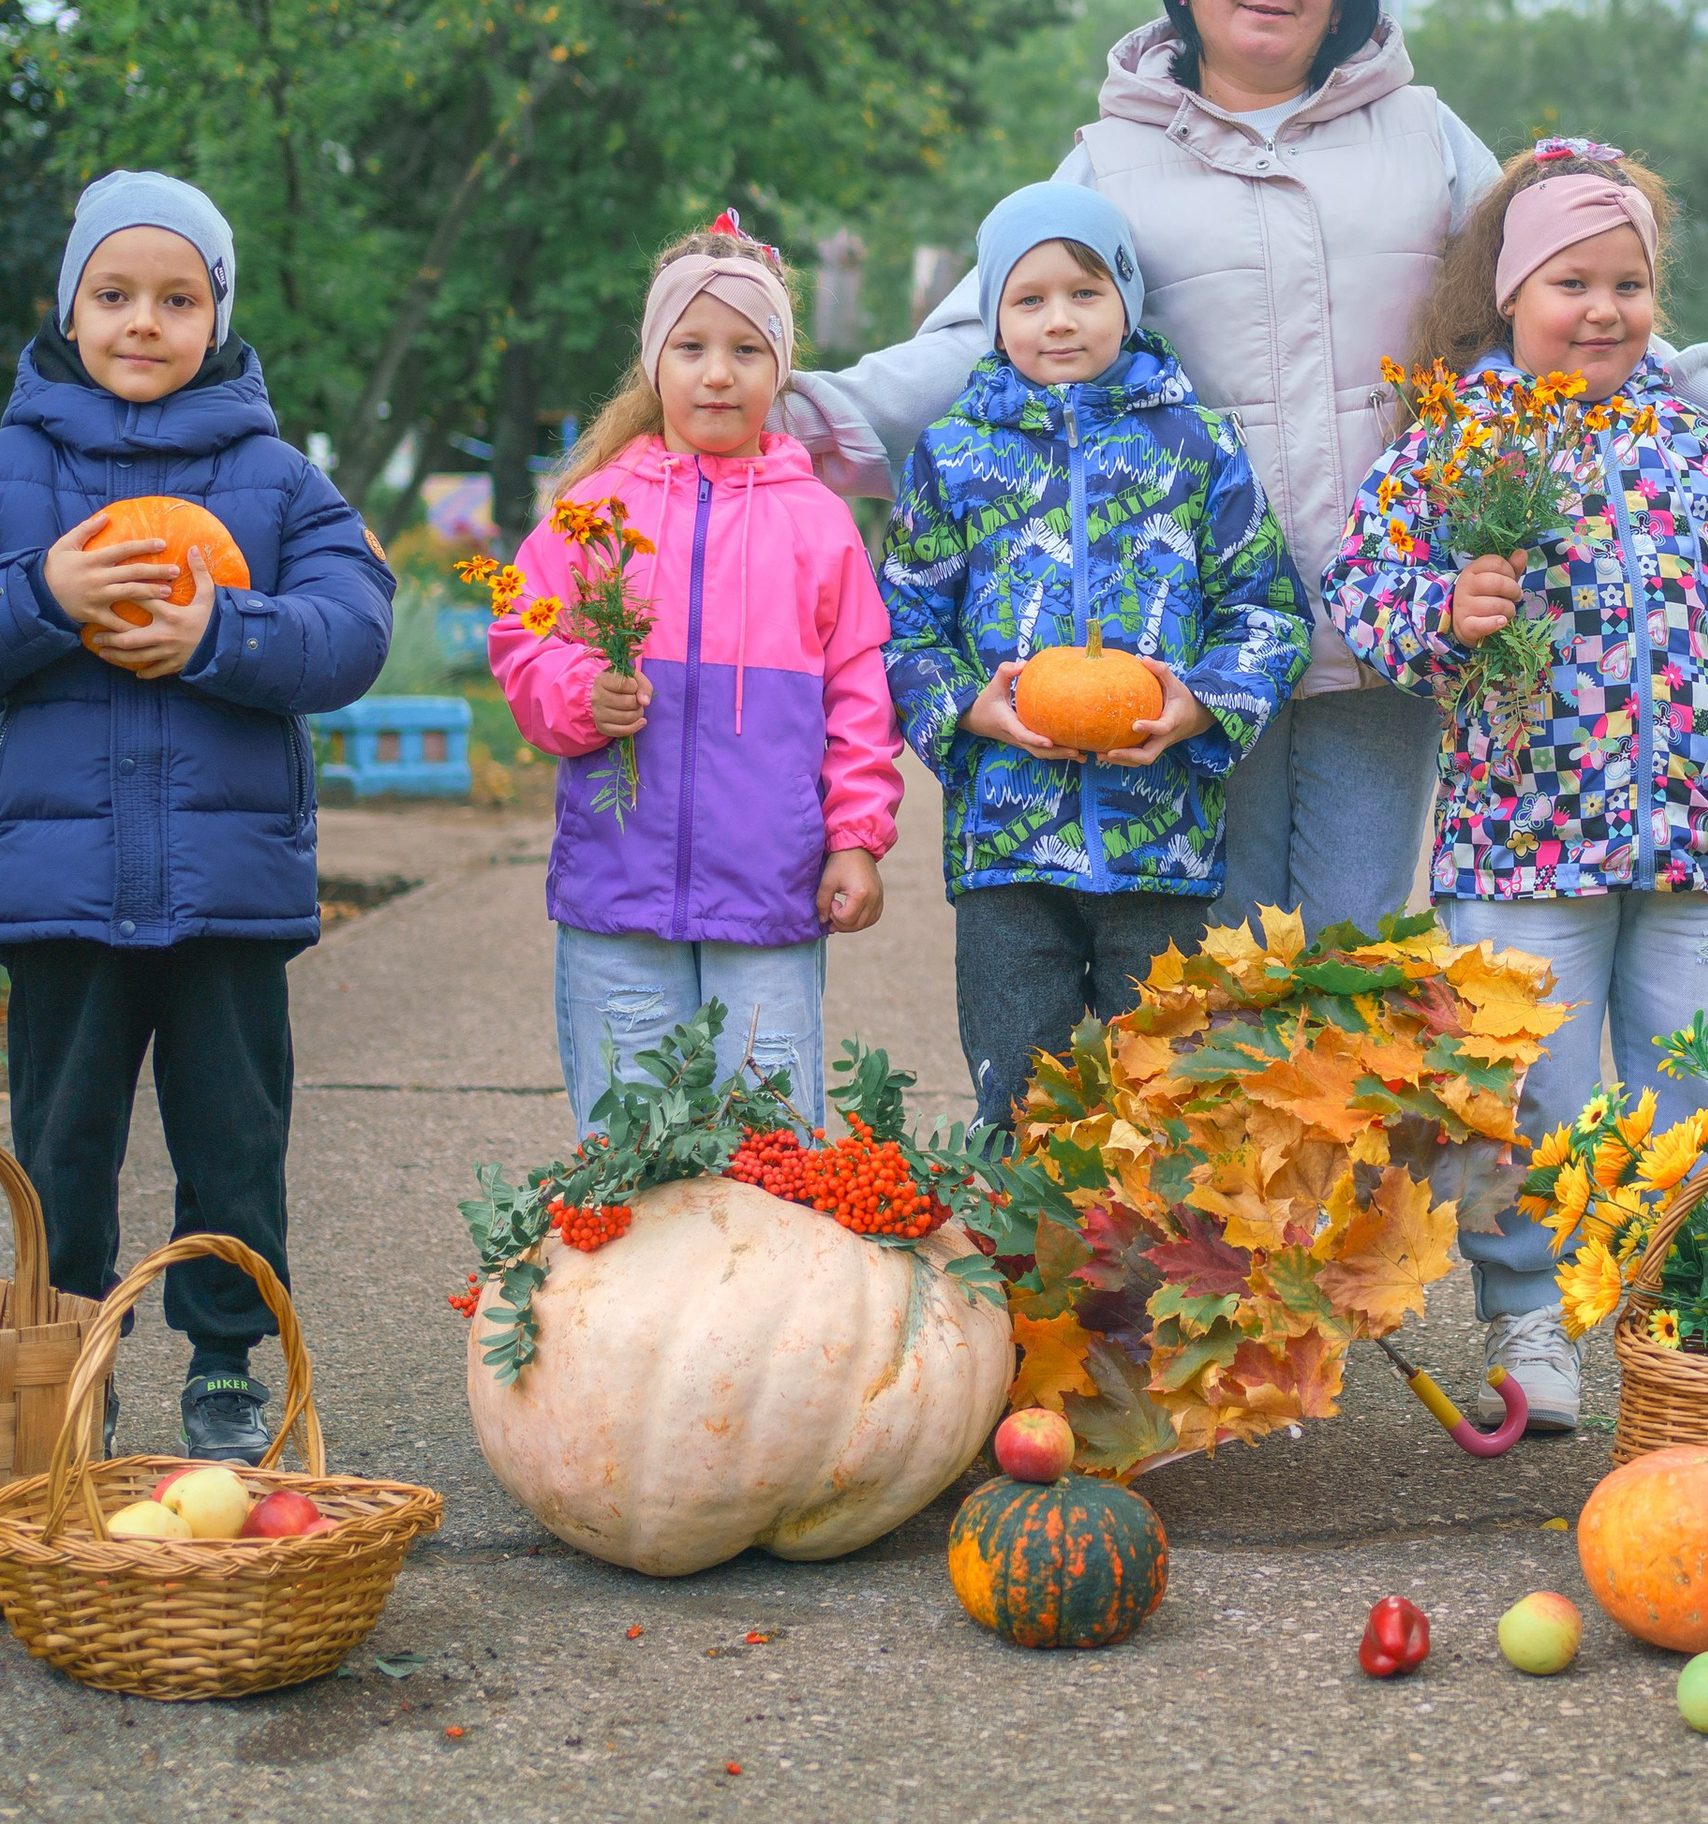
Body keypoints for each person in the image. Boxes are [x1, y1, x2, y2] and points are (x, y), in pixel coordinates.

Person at [788, 0, 1708, 940]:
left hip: (1381, 620)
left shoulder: (1422, 135)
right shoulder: (1110, 159)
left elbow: (1564, 289)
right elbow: (978, 331)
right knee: (1219, 957)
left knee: (1349, 948)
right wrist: (786, 409)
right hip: (1194, 630)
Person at [1321, 143, 1708, 1430]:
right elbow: (1365, 594)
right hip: (1521, 843)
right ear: (1509, 292)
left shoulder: (1705, 443)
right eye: (1570, 281)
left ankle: (1702, 1307)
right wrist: (1447, 607)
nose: (1602, 309)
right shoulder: (1459, 438)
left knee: (1700, 1083)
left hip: (1697, 838)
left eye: (1629, 283)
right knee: (1529, 1092)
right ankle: (1530, 1317)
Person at [0, 171, 394, 1462]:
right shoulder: (13, 472)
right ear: (68, 303)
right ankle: (67, 1365)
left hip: (227, 892)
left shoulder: (275, 481)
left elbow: (353, 629)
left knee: (234, 1141)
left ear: (216, 320)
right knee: (61, 1147)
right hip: (56, 893)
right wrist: (45, 593)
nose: (142, 323)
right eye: (114, 294)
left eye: (178, 299)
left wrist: (228, 633)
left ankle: (224, 1358)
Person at [882, 183, 1311, 1131]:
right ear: (994, 316)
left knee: (1164, 1102)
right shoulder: (952, 454)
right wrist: (966, 708)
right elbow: (903, 621)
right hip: (1006, 846)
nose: (1059, 320)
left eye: (1085, 292)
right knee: (1018, 1096)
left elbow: (1269, 610)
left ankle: (1152, 1274)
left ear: (1127, 298)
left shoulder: (1197, 445)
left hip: (1163, 843)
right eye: (1027, 300)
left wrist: (1201, 705)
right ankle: (1021, 1277)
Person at [490, 224, 902, 1133]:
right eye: (692, 348)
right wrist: (577, 692)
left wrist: (855, 838)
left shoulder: (819, 524)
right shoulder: (593, 511)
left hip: (770, 896)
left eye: (747, 350)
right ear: (654, 365)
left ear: (781, 370)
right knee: (628, 1150)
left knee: (770, 1154)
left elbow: (860, 699)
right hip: (619, 894)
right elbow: (522, 630)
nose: (718, 374)